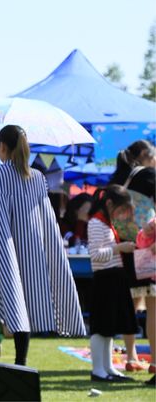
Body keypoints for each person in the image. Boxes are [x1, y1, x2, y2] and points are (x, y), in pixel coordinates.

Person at [0, 125, 85, 366]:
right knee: (22, 305)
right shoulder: (38, 177)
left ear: (2, 146)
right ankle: (21, 363)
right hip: (29, 252)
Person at [109, 140, 156, 375]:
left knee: (130, 303)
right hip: (148, 246)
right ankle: (155, 362)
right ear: (146, 155)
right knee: (153, 306)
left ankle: (131, 357)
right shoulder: (149, 176)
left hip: (124, 246)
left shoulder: (117, 178)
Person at [87, 185, 138, 382]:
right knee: (100, 327)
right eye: (120, 209)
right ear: (109, 204)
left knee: (109, 328)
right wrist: (119, 248)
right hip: (104, 278)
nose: (121, 214)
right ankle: (98, 370)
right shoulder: (96, 223)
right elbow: (95, 255)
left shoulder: (106, 223)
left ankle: (108, 367)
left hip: (114, 277)